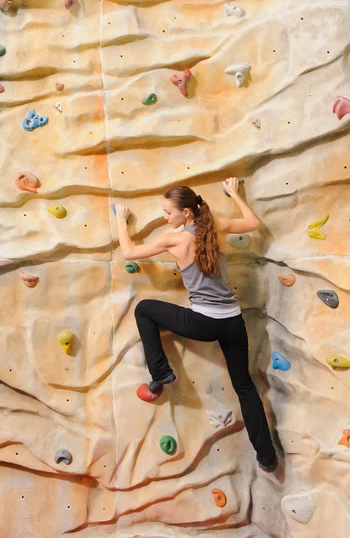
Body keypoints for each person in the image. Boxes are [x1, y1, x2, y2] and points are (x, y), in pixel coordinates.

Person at [114, 178, 277, 472]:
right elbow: (252, 222)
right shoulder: (217, 225)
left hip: (203, 323)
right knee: (245, 387)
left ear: (185, 213)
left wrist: (121, 221)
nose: (165, 217)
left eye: (167, 213)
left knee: (144, 309)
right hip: (232, 322)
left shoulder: (174, 240)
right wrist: (235, 194)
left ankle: (161, 373)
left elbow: (128, 253)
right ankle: (266, 456)